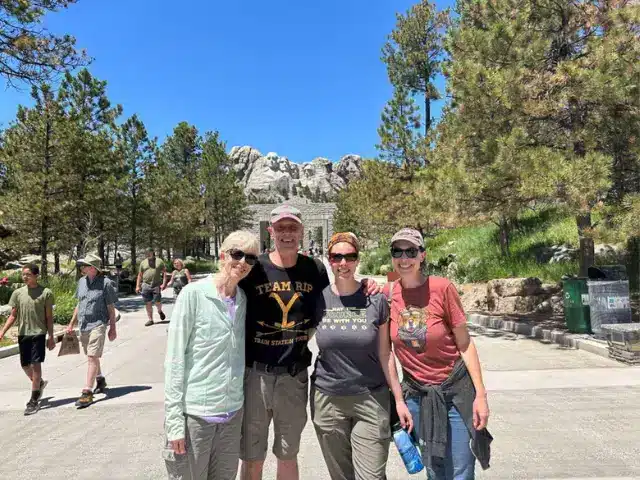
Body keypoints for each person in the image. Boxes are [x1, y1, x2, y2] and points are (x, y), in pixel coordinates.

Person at [239, 204, 380, 480]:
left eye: (292, 228)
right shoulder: (255, 269)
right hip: (255, 375)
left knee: (287, 454)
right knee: (253, 456)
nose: (287, 234)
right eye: (281, 228)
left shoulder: (314, 269)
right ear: (271, 231)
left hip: (294, 376)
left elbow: (335, 298)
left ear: (302, 232)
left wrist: (366, 286)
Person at [383, 228, 493, 480]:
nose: (404, 258)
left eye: (411, 251)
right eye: (397, 251)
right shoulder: (388, 295)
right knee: (434, 469)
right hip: (418, 395)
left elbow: (465, 344)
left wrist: (481, 396)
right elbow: (386, 351)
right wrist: (399, 400)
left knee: (461, 469)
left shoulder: (442, 288)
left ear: (422, 255)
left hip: (455, 392)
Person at [311, 232, 412, 480]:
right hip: (328, 400)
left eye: (350, 257)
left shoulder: (375, 299)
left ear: (357, 260)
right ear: (329, 260)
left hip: (371, 399)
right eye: (337, 257)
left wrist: (398, 400)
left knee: (371, 476)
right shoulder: (318, 299)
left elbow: (385, 353)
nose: (343, 263)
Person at [163, 230, 260, 480]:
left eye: (251, 259)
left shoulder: (243, 300)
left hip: (231, 414)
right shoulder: (193, 295)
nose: (243, 263)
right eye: (237, 255)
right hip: (196, 415)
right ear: (222, 255)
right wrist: (174, 423)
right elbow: (174, 360)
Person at [0, 264, 55, 415]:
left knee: (36, 364)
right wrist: (2, 331)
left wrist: (51, 337)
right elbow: (13, 315)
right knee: (25, 365)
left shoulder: (46, 293)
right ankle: (40, 383)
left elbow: (49, 317)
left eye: (28, 274)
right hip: (23, 333)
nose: (25, 277)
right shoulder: (18, 293)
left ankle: (34, 399)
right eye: (23, 274)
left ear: (36, 275)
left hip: (38, 333)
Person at [66, 254, 119, 408]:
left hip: (98, 324)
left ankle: (87, 392)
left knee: (92, 356)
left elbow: (111, 308)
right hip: (83, 325)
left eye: (86, 265)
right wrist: (71, 324)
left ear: (94, 268)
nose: (82, 267)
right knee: (92, 357)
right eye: (82, 265)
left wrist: (113, 328)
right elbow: (79, 304)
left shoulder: (106, 284)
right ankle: (100, 379)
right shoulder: (81, 282)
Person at [136, 248, 168, 326]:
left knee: (157, 301)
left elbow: (164, 273)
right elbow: (140, 275)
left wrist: (164, 284)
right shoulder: (143, 263)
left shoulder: (159, 261)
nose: (148, 254)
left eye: (149, 252)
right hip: (145, 285)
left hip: (156, 285)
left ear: (153, 252)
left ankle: (159, 311)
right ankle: (150, 320)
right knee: (148, 303)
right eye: (146, 252)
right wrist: (137, 286)